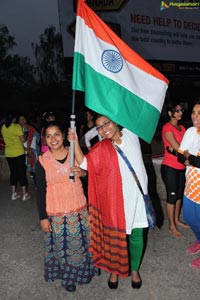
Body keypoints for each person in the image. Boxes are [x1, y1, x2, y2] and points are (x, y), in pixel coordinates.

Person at [68, 115, 150, 289]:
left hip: (137, 196)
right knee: (116, 237)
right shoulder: (102, 147)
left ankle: (134, 270)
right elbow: (84, 163)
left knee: (136, 235)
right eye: (99, 127)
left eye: (106, 123)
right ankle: (115, 270)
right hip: (116, 201)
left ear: (116, 122)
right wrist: (74, 141)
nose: (104, 129)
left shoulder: (131, 134)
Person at [35, 121, 99, 293]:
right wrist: (43, 218)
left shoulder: (74, 153)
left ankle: (86, 272)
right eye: (48, 136)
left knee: (82, 246)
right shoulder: (42, 161)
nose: (53, 139)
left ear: (63, 135)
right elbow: (40, 191)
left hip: (78, 210)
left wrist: (83, 173)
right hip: (56, 213)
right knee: (63, 250)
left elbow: (90, 175)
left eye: (56, 134)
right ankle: (68, 278)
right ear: (45, 140)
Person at [177, 100, 200, 269]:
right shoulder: (191, 131)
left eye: (199, 113)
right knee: (190, 218)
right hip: (191, 184)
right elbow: (179, 156)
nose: (195, 116)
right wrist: (191, 158)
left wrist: (189, 157)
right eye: (193, 112)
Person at [161, 102, 188, 238]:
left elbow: (186, 146)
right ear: (170, 113)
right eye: (177, 111)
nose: (180, 112)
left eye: (181, 110)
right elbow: (179, 147)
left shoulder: (182, 128)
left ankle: (177, 220)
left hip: (181, 167)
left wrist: (179, 150)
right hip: (170, 167)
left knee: (178, 196)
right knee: (172, 196)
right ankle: (171, 226)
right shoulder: (167, 128)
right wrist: (178, 150)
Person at [1, 112, 31, 201]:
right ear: (14, 119)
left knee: (13, 173)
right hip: (18, 153)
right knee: (21, 173)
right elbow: (23, 140)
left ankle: (13, 194)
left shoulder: (3, 127)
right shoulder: (17, 127)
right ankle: (24, 194)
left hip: (9, 153)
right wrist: (25, 132)